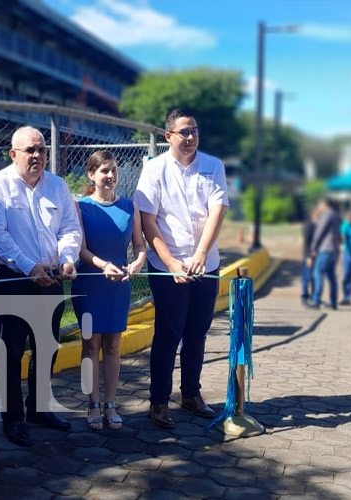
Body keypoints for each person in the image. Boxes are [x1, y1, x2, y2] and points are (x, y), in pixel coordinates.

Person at [0, 126, 81, 446]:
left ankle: (38, 409)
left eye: (41, 150)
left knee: (46, 346)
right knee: (10, 350)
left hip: (51, 277)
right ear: (13, 154)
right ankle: (12, 420)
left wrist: (67, 258)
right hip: (12, 278)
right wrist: (28, 267)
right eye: (30, 150)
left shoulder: (58, 186)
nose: (37, 156)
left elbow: (70, 227)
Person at [135, 108, 229, 429]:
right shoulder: (154, 170)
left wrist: (202, 252)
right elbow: (148, 221)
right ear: (169, 136)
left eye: (194, 131)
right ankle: (159, 401)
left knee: (197, 333)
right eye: (183, 132)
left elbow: (217, 210)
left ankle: (190, 395)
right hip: (166, 264)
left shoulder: (213, 166)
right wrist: (172, 263)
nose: (190, 138)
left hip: (206, 264)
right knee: (168, 333)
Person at [71, 151, 146, 431]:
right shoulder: (81, 207)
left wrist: (137, 263)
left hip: (119, 285)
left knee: (113, 345)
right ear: (91, 175)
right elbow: (80, 249)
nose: (111, 176)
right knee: (91, 344)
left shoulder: (130, 206)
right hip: (91, 281)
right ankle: (91, 403)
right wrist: (103, 265)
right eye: (104, 171)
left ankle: (110, 403)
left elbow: (139, 245)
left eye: (114, 170)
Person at [307, 198, 342, 310]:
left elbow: (320, 231)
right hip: (334, 249)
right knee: (331, 276)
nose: (319, 207)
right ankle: (333, 301)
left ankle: (316, 301)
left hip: (325, 248)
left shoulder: (327, 214)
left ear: (325, 204)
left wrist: (313, 247)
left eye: (320, 205)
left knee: (318, 274)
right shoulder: (336, 215)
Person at [301, 206, 319, 306]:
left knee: (314, 276)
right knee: (307, 276)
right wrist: (308, 256)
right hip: (309, 255)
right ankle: (305, 295)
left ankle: (313, 295)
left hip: (315, 255)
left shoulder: (318, 224)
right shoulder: (309, 224)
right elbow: (306, 242)